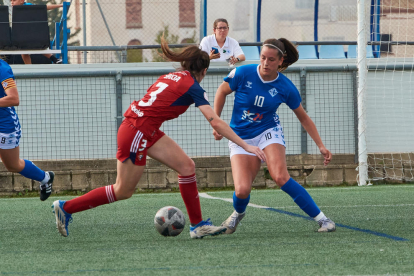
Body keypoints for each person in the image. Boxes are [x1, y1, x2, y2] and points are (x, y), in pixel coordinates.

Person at [52, 36, 266, 239]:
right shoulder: (194, 87)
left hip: (142, 127)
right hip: (138, 131)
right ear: (204, 71)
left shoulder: (170, 76)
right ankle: (66, 207)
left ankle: (198, 226)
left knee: (186, 166)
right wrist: (246, 145)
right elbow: (215, 121)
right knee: (123, 190)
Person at [213, 38, 336, 234]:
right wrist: (217, 122)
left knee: (280, 176)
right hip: (241, 137)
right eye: (263, 58)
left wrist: (320, 145)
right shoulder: (242, 73)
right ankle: (238, 213)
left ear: (280, 61)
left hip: (268, 132)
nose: (265, 63)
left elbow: (303, 118)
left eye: (271, 60)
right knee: (242, 191)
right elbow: (221, 91)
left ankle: (324, 220)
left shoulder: (286, 87)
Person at [0, 58, 54, 200]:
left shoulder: (2, 69)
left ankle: (45, 178)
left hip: (5, 126)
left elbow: (14, 98)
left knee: (12, 165)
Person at [10, 0, 63, 65]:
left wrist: (60, 5)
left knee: (29, 47)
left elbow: (44, 7)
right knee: (24, 49)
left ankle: (53, 59)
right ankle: (54, 59)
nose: (12, 2)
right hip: (22, 35)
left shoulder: (28, 6)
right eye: (11, 0)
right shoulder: (12, 9)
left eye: (14, 0)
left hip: (31, 34)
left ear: (21, 1)